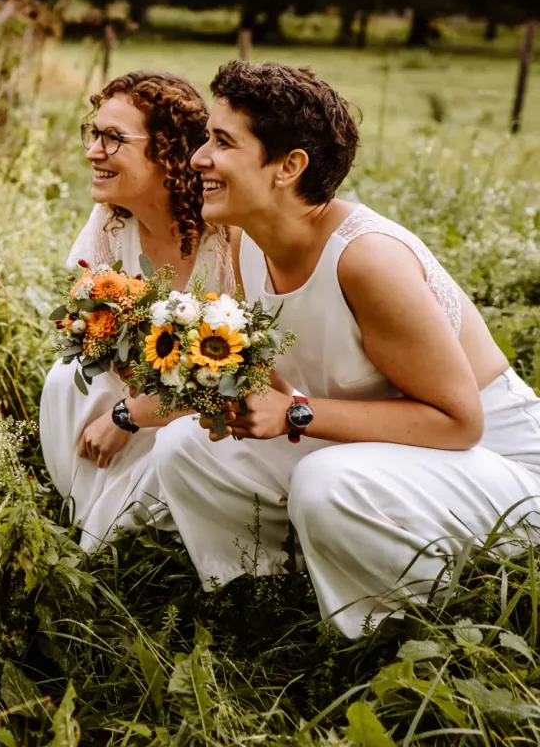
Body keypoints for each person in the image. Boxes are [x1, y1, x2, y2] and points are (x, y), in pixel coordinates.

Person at [156, 60, 540, 636]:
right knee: (185, 445)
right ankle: (257, 605)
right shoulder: (245, 241)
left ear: (289, 166)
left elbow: (459, 423)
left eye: (222, 142)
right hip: (386, 448)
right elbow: (298, 368)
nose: (198, 158)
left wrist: (294, 413)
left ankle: (383, 635)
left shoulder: (366, 260)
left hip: (499, 470)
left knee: (328, 481)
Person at [41, 72, 235, 551]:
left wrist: (129, 414)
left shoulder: (229, 236)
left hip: (214, 413)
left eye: (114, 138)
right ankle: (85, 520)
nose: (93, 152)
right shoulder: (110, 223)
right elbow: (89, 329)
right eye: (95, 133)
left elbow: (245, 376)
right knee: (69, 375)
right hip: (142, 388)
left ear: (168, 153)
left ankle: (115, 545)